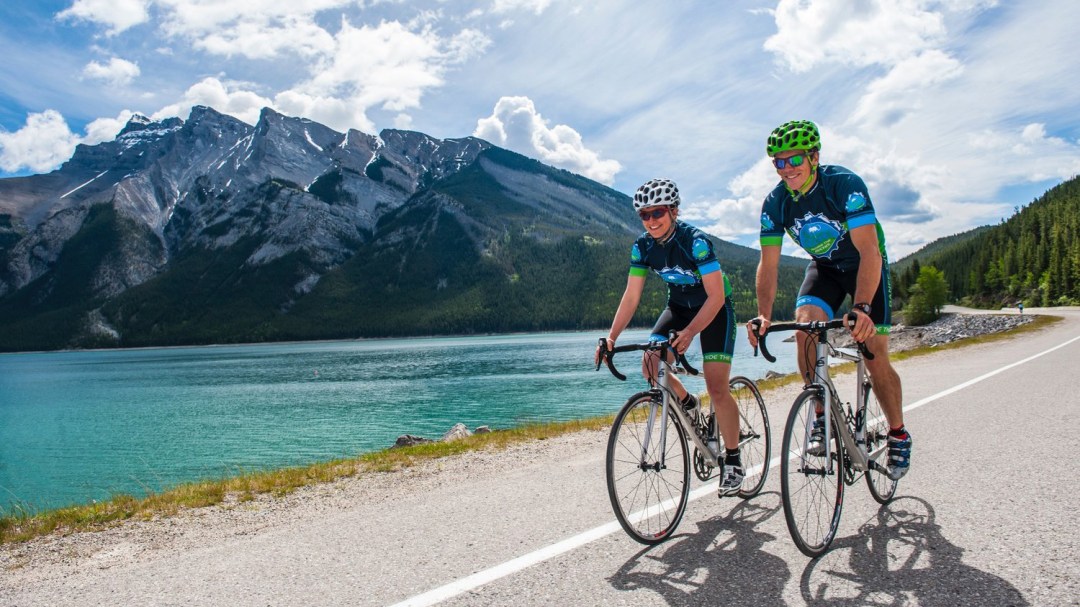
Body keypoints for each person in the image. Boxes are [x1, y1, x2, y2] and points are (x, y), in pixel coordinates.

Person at [745, 120, 911, 480]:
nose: (786, 169)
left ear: (814, 156)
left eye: (794, 160)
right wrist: (763, 315)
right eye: (778, 162)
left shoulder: (844, 185)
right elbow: (768, 264)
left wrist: (863, 307)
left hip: (866, 265)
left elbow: (870, 251)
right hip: (826, 268)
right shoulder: (775, 203)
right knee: (805, 324)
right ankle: (821, 415)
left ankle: (898, 433)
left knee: (875, 354)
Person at [595, 178, 744, 496]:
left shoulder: (696, 241)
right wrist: (610, 338)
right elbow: (632, 296)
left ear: (674, 211)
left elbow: (716, 295)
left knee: (717, 385)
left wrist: (691, 333)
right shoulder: (643, 246)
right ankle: (688, 403)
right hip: (678, 307)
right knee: (651, 363)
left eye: (657, 212)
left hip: (714, 308)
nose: (651, 221)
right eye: (644, 215)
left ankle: (732, 459)